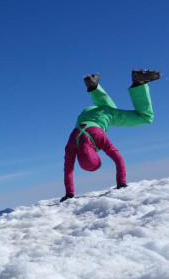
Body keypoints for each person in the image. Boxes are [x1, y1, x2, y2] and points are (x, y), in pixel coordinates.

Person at [61, 69, 160, 202]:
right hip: (86, 113)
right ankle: (93, 87)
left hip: (103, 116)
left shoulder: (98, 139)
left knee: (145, 117)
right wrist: (69, 193)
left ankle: (139, 83)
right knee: (110, 106)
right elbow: (68, 171)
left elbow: (118, 158)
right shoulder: (71, 146)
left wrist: (121, 182)